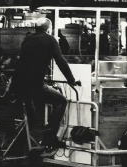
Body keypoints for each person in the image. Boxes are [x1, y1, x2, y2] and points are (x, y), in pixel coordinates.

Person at [11, 17, 79, 152]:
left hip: (18, 83)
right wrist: (71, 80)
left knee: (32, 119)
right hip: (34, 84)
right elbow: (60, 61)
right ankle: (50, 136)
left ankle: (17, 146)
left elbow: (31, 61)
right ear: (49, 29)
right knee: (61, 101)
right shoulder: (49, 39)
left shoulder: (28, 39)